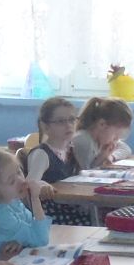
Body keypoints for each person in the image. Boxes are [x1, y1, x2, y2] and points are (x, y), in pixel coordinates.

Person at [21, 95, 90, 225]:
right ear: (45, 127)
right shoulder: (42, 154)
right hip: (55, 217)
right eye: (60, 121)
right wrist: (42, 184)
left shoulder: (70, 150)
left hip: (72, 210)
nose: (68, 125)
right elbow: (29, 183)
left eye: (72, 120)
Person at [70, 96, 134, 169]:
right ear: (102, 124)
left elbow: (126, 149)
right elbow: (83, 173)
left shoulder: (101, 140)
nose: (116, 139)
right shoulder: (83, 141)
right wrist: (102, 158)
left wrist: (109, 156)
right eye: (115, 135)